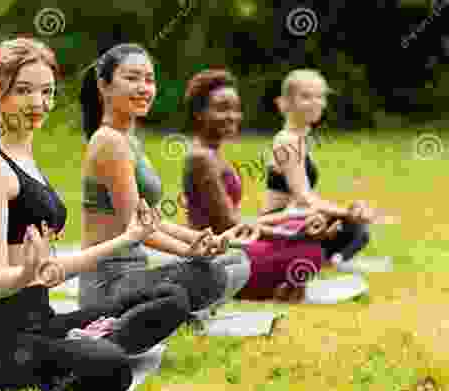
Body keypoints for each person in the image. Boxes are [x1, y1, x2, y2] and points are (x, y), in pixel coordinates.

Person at [0, 38, 191, 391]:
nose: (38, 103)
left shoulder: (23, 153)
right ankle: (87, 345)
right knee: (112, 368)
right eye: (23, 90)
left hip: (40, 321)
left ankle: (82, 341)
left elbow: (51, 270)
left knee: (170, 296)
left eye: (47, 92)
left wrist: (127, 236)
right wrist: (24, 274)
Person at [78, 43, 253, 312]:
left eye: (149, 79)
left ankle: (176, 312)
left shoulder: (129, 141)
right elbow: (135, 228)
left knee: (235, 261)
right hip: (109, 284)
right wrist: (188, 252)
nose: (143, 87)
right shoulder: (108, 142)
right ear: (104, 85)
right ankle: (176, 313)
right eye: (132, 78)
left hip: (135, 275)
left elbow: (153, 219)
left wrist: (198, 239)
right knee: (209, 275)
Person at [182, 68, 328, 302]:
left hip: (233, 244)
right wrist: (288, 234)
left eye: (236, 109)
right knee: (307, 250)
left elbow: (239, 220)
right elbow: (229, 224)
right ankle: (263, 286)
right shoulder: (201, 159)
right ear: (199, 113)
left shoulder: (213, 154)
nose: (232, 116)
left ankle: (272, 285)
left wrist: (291, 223)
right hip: (217, 255)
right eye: (222, 109)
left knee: (303, 230)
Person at [262, 69, 375, 266]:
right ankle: (321, 259)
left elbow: (308, 200)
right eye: (306, 97)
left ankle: (327, 260)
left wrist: (347, 212)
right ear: (286, 103)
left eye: (320, 96)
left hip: (298, 215)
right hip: (280, 220)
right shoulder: (287, 141)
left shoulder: (300, 140)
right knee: (353, 228)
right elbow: (303, 198)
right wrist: (347, 212)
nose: (316, 102)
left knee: (354, 229)